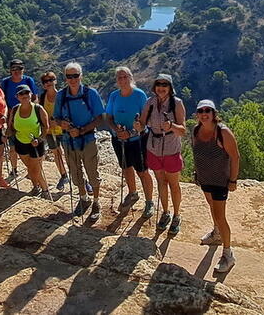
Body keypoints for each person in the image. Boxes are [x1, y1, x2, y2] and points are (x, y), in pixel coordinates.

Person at [191, 99, 240, 273]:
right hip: (205, 179)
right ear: (197, 114)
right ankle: (216, 233)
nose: (204, 114)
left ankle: (228, 254)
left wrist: (233, 180)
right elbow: (197, 153)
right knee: (212, 207)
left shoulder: (223, 132)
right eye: (201, 111)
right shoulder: (196, 130)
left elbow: (235, 157)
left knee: (220, 215)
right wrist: (196, 173)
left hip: (220, 181)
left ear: (214, 113)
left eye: (208, 110)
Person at [53, 62, 105, 221]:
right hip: (69, 141)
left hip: (87, 139)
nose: (73, 79)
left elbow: (100, 118)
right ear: (65, 78)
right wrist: (63, 124)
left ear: (81, 76)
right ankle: (84, 198)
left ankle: (96, 202)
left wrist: (82, 130)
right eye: (69, 76)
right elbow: (56, 117)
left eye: (75, 76)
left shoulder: (91, 94)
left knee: (92, 173)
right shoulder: (61, 95)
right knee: (75, 173)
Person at [136, 73, 186, 235]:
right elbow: (142, 123)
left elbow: (183, 130)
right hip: (154, 147)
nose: (161, 88)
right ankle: (166, 212)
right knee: (161, 181)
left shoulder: (177, 103)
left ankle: (177, 215)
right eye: (159, 85)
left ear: (170, 88)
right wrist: (137, 125)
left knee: (173, 184)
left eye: (165, 85)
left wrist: (171, 126)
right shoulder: (150, 103)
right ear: (154, 87)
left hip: (171, 148)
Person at [105, 67, 155, 218]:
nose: (122, 80)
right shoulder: (114, 96)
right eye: (119, 78)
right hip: (119, 139)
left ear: (131, 78)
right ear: (116, 81)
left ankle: (149, 202)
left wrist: (131, 133)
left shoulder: (139, 95)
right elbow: (108, 117)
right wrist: (117, 131)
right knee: (126, 166)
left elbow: (146, 120)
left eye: (125, 77)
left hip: (138, 140)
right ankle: (133, 193)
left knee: (142, 171)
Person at [7, 84, 50, 196]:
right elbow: (11, 126)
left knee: (34, 169)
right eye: (21, 94)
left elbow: (46, 126)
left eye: (27, 93)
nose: (24, 95)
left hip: (36, 144)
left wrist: (40, 139)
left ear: (31, 94)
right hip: (20, 143)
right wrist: (6, 134)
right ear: (17, 96)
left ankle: (44, 189)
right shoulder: (15, 109)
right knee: (30, 168)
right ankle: (36, 187)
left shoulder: (38, 109)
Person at [0, 59, 38, 182]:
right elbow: (1, 100)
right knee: (12, 146)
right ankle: (14, 169)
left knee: (28, 144)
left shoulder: (28, 80)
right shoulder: (5, 83)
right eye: (14, 69)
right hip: (11, 117)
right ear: (10, 70)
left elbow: (35, 97)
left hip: (27, 118)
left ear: (23, 69)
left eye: (19, 69)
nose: (17, 72)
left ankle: (30, 169)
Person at [39, 71, 70, 190]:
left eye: (51, 80)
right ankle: (63, 175)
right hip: (49, 131)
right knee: (56, 153)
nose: (49, 83)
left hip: (63, 129)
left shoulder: (62, 96)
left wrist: (58, 121)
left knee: (69, 154)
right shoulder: (42, 97)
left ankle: (80, 177)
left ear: (55, 81)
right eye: (46, 81)